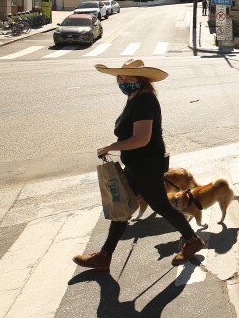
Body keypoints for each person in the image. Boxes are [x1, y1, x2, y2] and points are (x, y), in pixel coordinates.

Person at [72, 59, 205, 271]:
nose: (124, 82)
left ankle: (192, 240)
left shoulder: (144, 101)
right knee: (122, 207)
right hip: (137, 165)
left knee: (160, 205)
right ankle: (105, 256)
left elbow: (141, 138)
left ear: (141, 80)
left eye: (129, 78)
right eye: (121, 78)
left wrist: (111, 146)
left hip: (146, 166)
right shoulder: (134, 97)